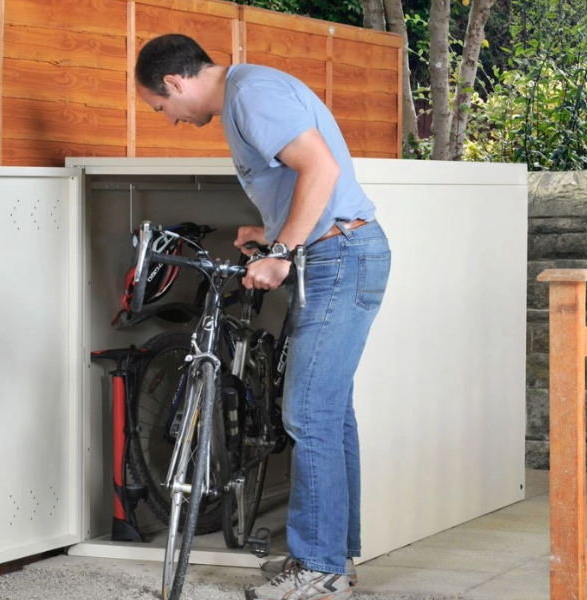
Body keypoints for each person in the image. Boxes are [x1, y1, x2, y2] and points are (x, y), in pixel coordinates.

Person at [135, 34, 391, 600]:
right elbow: (304, 178)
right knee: (329, 414)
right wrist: (271, 233)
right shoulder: (246, 94)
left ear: (175, 83)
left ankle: (317, 569)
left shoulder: (250, 96)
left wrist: (282, 252)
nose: (171, 120)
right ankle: (334, 562)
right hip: (337, 253)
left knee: (307, 413)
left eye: (162, 109)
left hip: (339, 256)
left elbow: (319, 170)